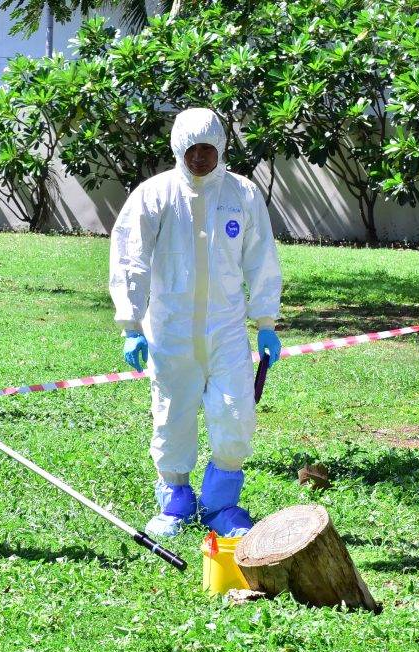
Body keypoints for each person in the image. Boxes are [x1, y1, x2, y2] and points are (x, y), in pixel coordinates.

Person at [109, 108, 283, 539]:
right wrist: (131, 324)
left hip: (226, 331)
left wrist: (265, 321)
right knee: (172, 415)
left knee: (235, 413)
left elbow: (261, 258)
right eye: (193, 149)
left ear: (221, 148)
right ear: (178, 148)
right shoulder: (154, 195)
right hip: (171, 330)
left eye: (209, 149)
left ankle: (222, 503)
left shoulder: (242, 195)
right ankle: (176, 502)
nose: (201, 158)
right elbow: (130, 257)